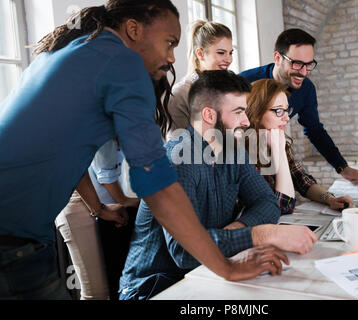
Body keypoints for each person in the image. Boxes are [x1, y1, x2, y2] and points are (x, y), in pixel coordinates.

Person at [0, 0, 287, 300]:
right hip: (12, 239)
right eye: (169, 43)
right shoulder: (123, 63)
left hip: (20, 235)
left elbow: (68, 153)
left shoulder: (75, 51)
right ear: (133, 29)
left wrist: (97, 208)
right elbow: (157, 187)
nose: (172, 58)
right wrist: (227, 267)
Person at [119, 70, 317, 300]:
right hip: (156, 288)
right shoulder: (176, 162)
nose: (246, 121)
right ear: (209, 115)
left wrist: (236, 229)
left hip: (207, 274)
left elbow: (268, 204)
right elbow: (183, 252)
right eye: (239, 112)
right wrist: (260, 234)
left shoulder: (234, 152)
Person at [240, 28, 358, 184]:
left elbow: (315, 130)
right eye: (297, 63)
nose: (304, 72)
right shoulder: (242, 82)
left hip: (271, 156)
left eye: (309, 65)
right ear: (277, 58)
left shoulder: (306, 88)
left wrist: (342, 167)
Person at [245, 79, 354, 215]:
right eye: (279, 111)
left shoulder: (274, 139)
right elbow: (283, 206)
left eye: (287, 110)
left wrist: (329, 199)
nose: (287, 118)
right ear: (256, 112)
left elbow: (302, 180)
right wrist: (279, 153)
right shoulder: (243, 155)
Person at [55, 138, 140, 300]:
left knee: (112, 287)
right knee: (96, 293)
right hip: (80, 202)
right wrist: (121, 201)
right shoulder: (99, 118)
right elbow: (105, 173)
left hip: (105, 204)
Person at [167, 19, 233, 138]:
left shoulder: (228, 91)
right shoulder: (181, 94)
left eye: (230, 53)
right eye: (221, 53)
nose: (228, 59)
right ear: (200, 54)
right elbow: (177, 150)